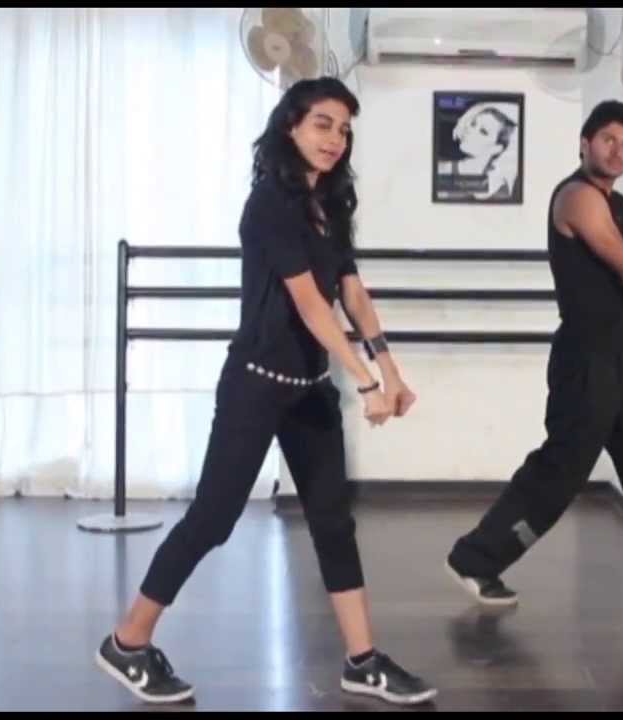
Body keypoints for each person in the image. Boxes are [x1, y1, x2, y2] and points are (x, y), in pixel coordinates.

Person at [94, 77, 437, 706]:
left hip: (309, 390)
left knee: (333, 523)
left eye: (344, 129)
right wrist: (365, 379)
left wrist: (390, 369)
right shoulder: (269, 205)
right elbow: (309, 305)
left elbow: (351, 291)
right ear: (290, 126)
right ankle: (127, 640)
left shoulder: (330, 203)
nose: (335, 139)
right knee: (213, 519)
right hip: (255, 386)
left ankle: (362, 661)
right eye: (322, 124)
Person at [445, 99, 623, 611]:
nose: (618, 152)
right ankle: (475, 559)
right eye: (608, 140)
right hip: (586, 352)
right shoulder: (576, 197)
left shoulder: (621, 207)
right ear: (585, 143)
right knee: (564, 465)